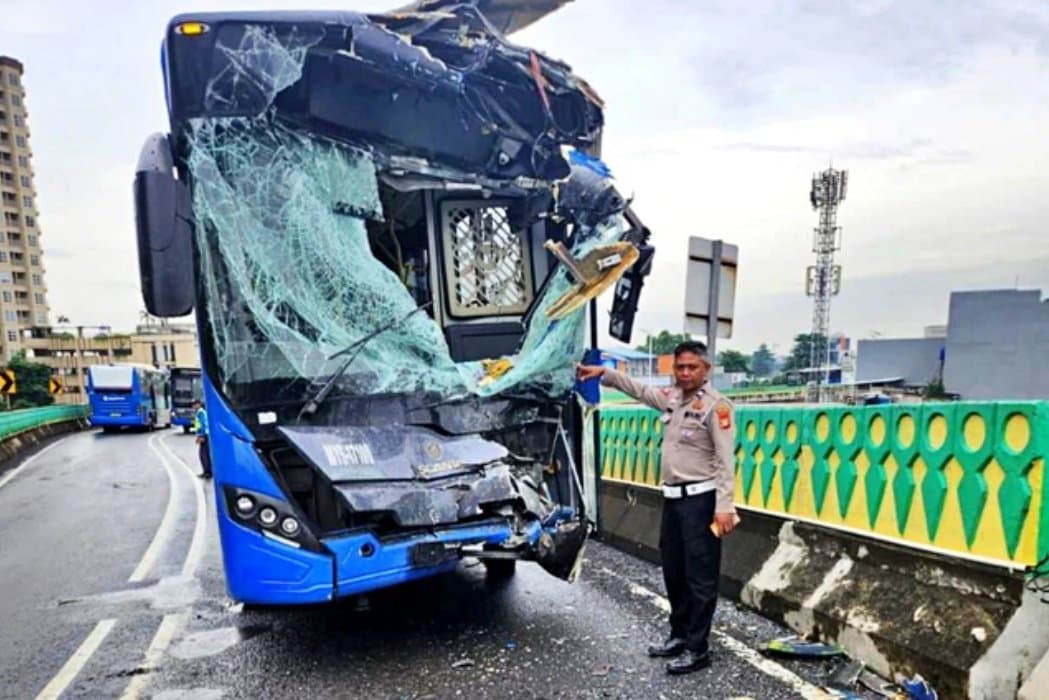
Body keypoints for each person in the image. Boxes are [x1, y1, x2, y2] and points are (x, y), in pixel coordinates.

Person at [577, 341, 737, 674]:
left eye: (692, 367)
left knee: (700, 578)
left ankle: (698, 648)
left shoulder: (716, 406)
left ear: (706, 369)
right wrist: (605, 374)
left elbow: (726, 462)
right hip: (673, 501)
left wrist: (724, 507)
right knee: (674, 571)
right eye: (680, 367)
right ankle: (679, 635)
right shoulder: (674, 399)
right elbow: (640, 390)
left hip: (701, 502)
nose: (685, 373)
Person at [192, 399, 212, 479]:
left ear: (199, 404)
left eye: (195, 404)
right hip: (203, 435)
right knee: (203, 454)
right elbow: (198, 425)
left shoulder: (201, 413)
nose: (193, 406)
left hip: (205, 435)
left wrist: (201, 436)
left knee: (204, 455)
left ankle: (208, 472)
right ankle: (206, 471)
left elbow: (203, 425)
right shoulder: (199, 412)